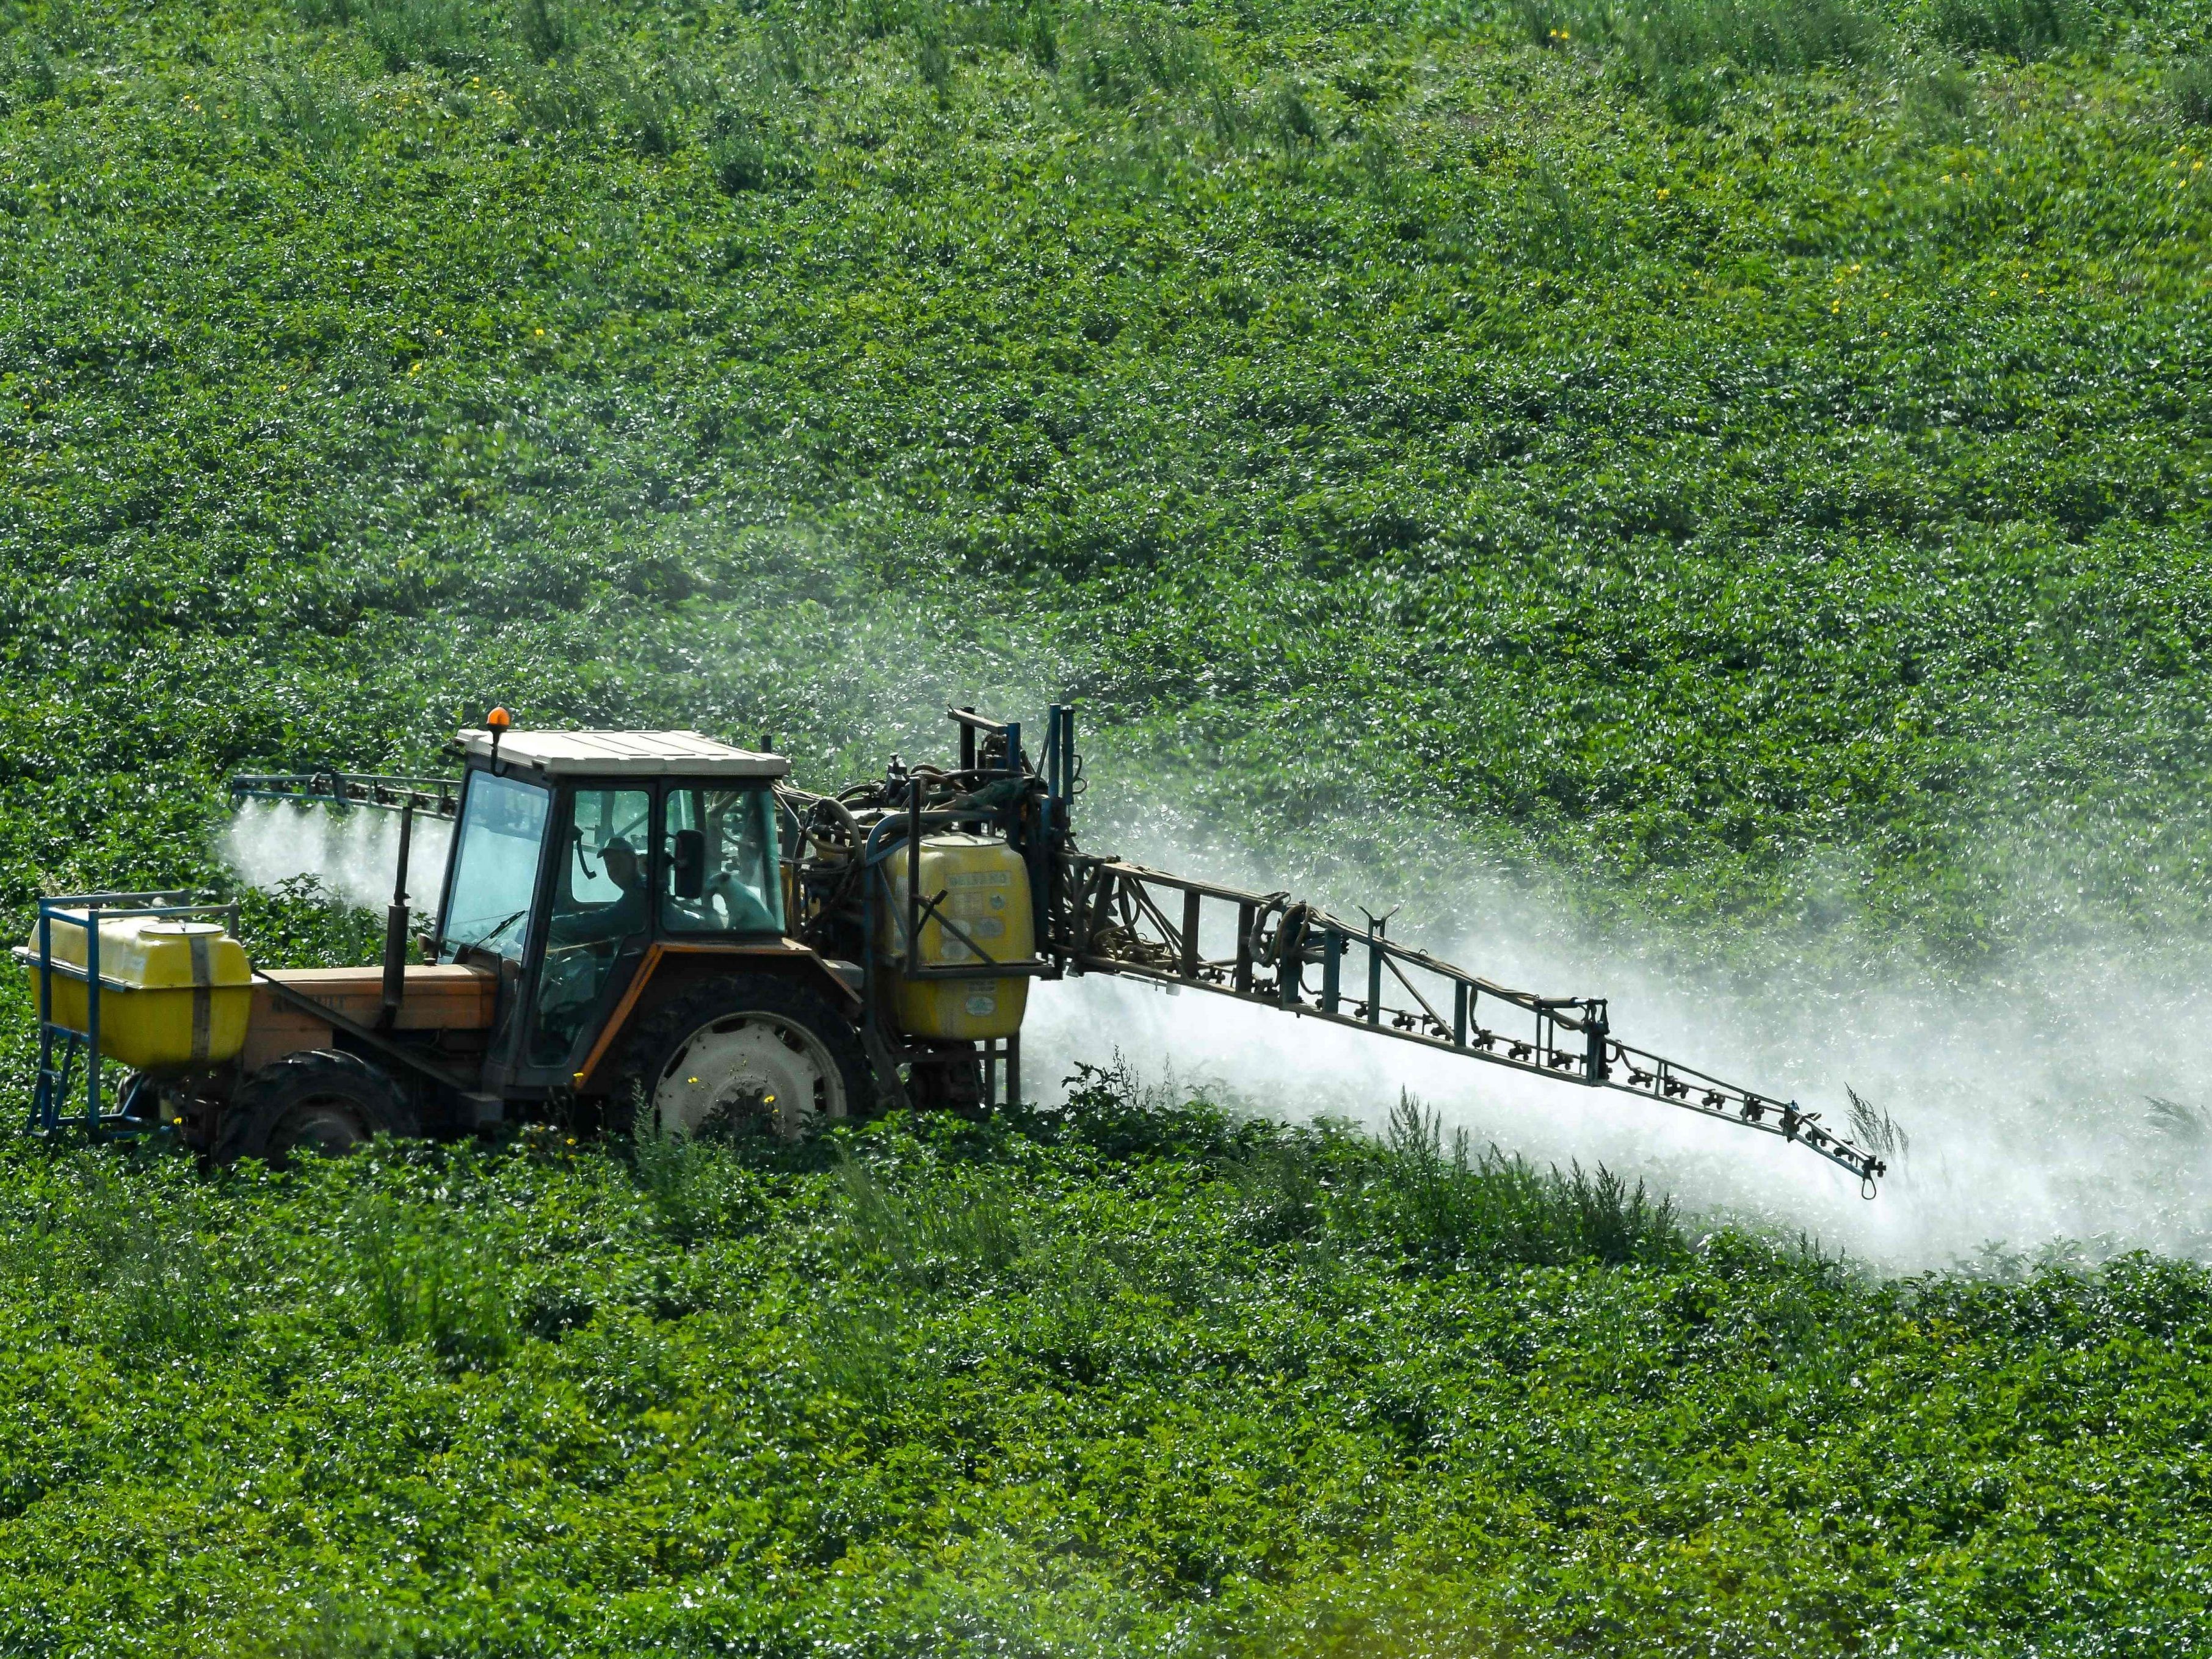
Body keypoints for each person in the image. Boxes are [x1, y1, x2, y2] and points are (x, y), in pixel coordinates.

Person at [549, 837, 651, 946]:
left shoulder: (640, 893)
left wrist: (551, 925)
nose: (612, 868)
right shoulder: (639, 888)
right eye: (608, 863)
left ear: (633, 860)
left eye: (618, 861)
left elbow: (606, 919)